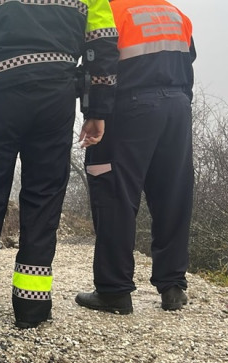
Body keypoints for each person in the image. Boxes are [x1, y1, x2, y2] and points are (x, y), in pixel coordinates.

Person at [0, 0, 120, 328]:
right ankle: (32, 309)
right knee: (44, 200)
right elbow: (103, 49)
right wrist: (97, 111)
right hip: (56, 100)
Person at [76, 0, 196, 314]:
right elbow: (188, 60)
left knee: (114, 192)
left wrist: (93, 112)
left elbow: (98, 64)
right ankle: (172, 287)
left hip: (128, 108)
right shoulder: (174, 12)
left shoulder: (109, 11)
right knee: (173, 196)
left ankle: (114, 291)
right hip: (178, 107)